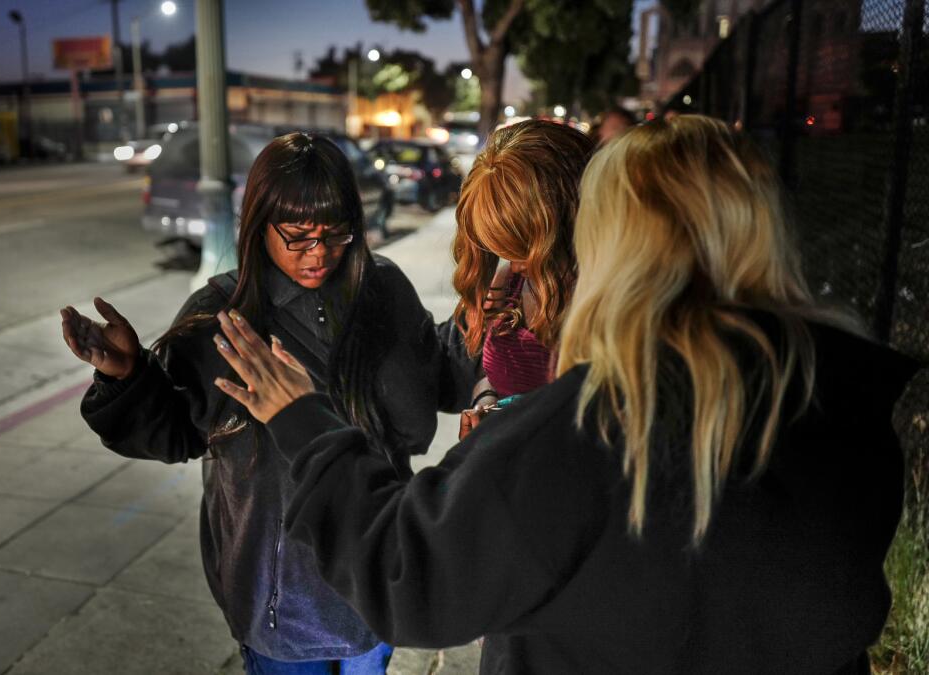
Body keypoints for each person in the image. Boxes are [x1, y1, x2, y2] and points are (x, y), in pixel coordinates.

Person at [209, 116, 920, 674]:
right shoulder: (846, 403)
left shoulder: (602, 426)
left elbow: (410, 574)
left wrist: (306, 423)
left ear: (622, 243)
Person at [60, 132, 478, 673]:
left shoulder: (384, 290)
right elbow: (174, 432)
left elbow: (436, 378)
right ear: (260, 226)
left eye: (336, 233)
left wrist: (481, 323)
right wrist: (127, 375)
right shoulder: (222, 315)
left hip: (372, 574)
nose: (319, 252)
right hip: (281, 602)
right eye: (298, 235)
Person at [451, 120, 594, 439]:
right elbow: (497, 379)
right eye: (504, 252)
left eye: (523, 250)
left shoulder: (612, 301)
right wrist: (486, 400)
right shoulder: (508, 283)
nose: (515, 267)